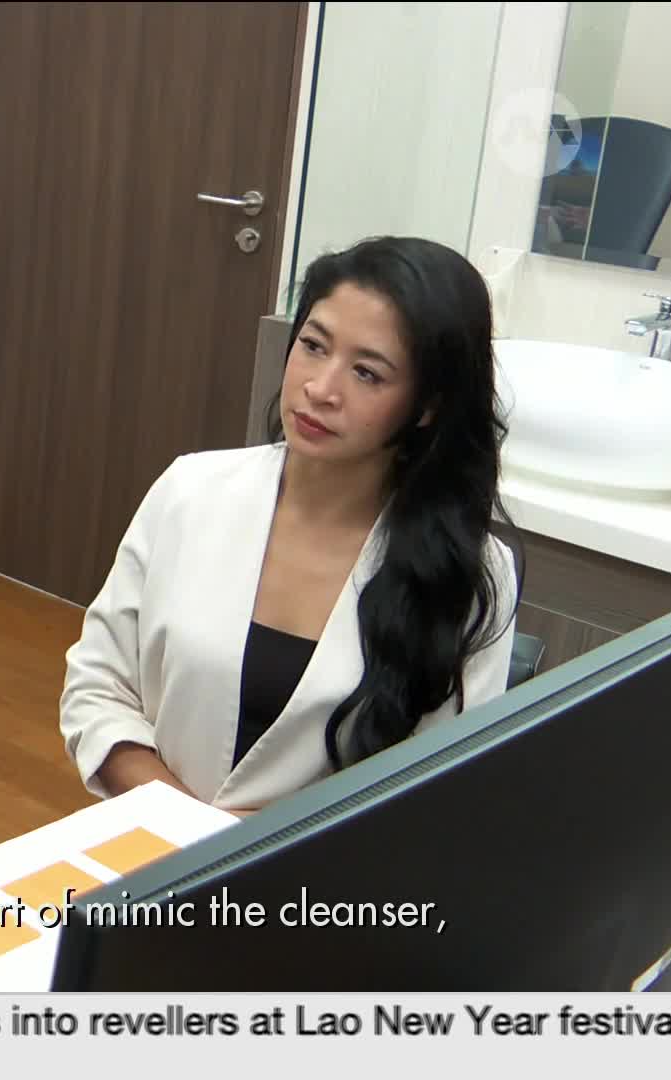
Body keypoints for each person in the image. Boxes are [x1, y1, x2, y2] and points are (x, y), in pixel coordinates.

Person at [58, 235, 522, 814]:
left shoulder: (474, 575)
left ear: (428, 405)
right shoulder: (191, 492)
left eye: (368, 374)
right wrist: (188, 829)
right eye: (312, 345)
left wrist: (261, 853)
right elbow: (97, 687)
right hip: (153, 859)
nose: (320, 389)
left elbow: (438, 797)